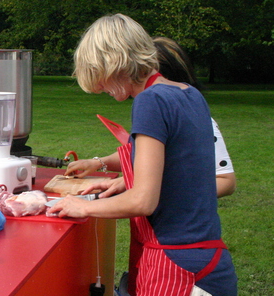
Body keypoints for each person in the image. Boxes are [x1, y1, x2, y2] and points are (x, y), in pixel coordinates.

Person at [49, 14, 237, 296]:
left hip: (179, 275)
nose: (104, 89)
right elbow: (171, 163)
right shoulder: (189, 94)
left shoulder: (150, 101)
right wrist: (105, 169)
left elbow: (143, 200)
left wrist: (83, 206)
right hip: (213, 271)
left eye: (102, 79)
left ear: (113, 63)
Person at [65, 36, 236, 198]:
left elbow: (226, 181)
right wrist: (99, 163)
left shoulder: (190, 116)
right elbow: (146, 156)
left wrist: (146, 187)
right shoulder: (157, 108)